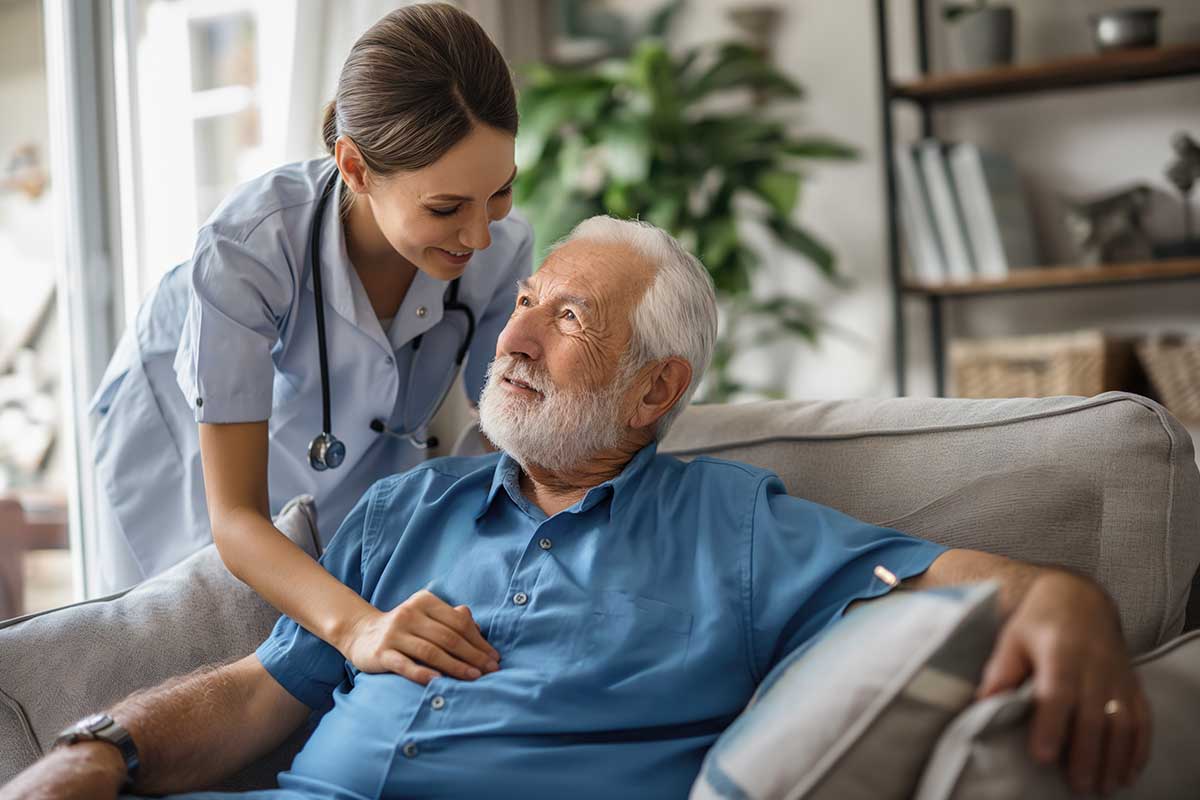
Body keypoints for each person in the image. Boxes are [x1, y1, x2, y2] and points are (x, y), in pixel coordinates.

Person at [20, 218, 1148, 799]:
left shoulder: (735, 528)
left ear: (655, 390)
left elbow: (954, 581)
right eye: (524, 302)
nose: (510, 338)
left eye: (566, 319)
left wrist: (1067, 600)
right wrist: (98, 750)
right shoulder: (407, 507)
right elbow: (264, 689)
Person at [89, 3, 527, 679]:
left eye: (499, 192)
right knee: (191, 650)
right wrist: (358, 626)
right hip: (180, 437)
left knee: (325, 638)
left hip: (342, 446)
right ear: (355, 168)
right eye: (446, 208)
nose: (478, 235)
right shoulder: (246, 250)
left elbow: (505, 438)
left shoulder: (501, 250)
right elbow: (235, 520)